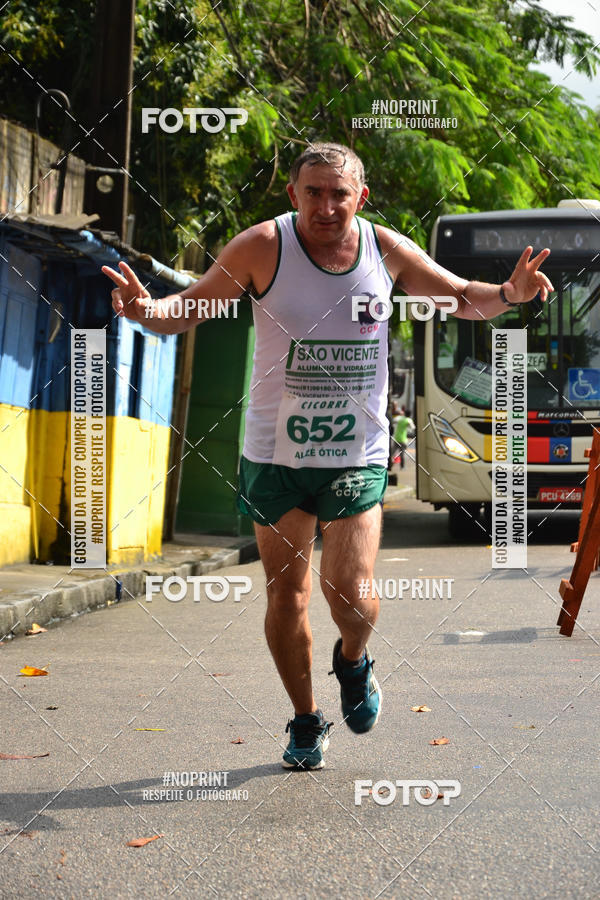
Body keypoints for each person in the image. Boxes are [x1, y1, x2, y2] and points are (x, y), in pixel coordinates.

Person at [102, 142, 553, 770]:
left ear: (359, 198)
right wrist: (145, 311)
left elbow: (458, 297)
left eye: (339, 193)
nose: (326, 206)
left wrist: (511, 291)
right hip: (273, 454)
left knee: (351, 593)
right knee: (286, 595)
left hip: (356, 453)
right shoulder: (262, 246)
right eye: (313, 192)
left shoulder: (384, 248)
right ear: (294, 195)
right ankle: (307, 719)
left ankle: (352, 659)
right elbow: (194, 307)